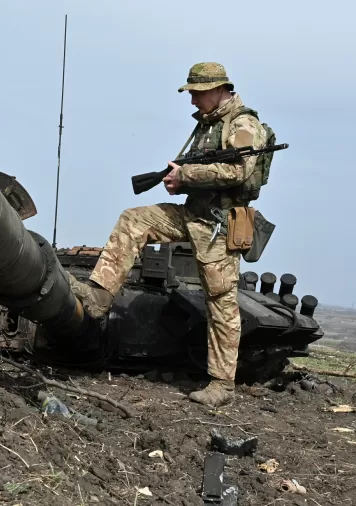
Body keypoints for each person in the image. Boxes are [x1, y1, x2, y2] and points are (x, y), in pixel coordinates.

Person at [67, 62, 268, 408]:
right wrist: (178, 180)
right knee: (134, 220)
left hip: (219, 224)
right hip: (192, 214)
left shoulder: (242, 124)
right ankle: (99, 298)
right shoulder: (207, 125)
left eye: (196, 94)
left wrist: (187, 174)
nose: (192, 101)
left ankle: (221, 384)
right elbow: (199, 172)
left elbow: (239, 169)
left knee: (220, 301)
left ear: (218, 89)